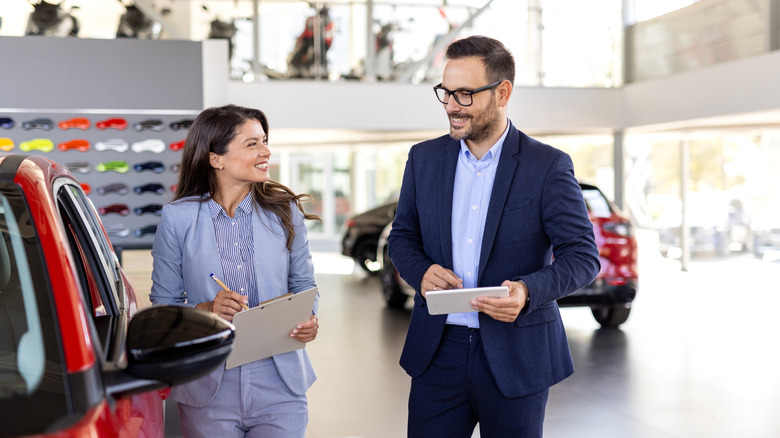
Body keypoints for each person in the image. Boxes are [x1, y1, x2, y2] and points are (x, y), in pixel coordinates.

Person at [387, 35, 601, 438]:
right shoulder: (424, 159)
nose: (451, 105)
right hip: (437, 353)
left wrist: (526, 290)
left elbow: (583, 257)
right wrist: (421, 271)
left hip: (516, 355)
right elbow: (402, 237)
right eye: (446, 93)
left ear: (502, 92)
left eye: (465, 94)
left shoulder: (548, 166)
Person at [150, 104, 320, 438]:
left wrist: (308, 320)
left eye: (265, 141)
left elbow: (304, 286)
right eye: (252, 143)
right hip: (208, 386)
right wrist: (206, 310)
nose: (266, 151)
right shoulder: (178, 219)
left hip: (280, 383)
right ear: (216, 158)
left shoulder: (285, 212)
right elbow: (163, 309)